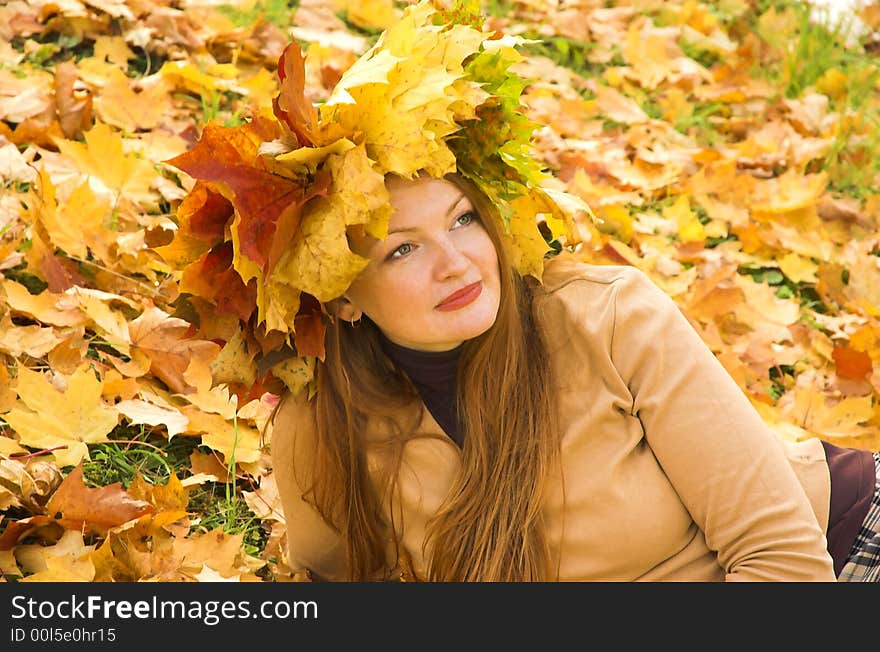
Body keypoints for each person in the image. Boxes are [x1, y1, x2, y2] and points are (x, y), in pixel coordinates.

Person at [169, 1, 880, 581]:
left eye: (463, 219)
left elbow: (782, 562)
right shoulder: (322, 424)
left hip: (845, 547)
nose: (456, 263)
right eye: (404, 248)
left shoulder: (608, 318)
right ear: (342, 295)